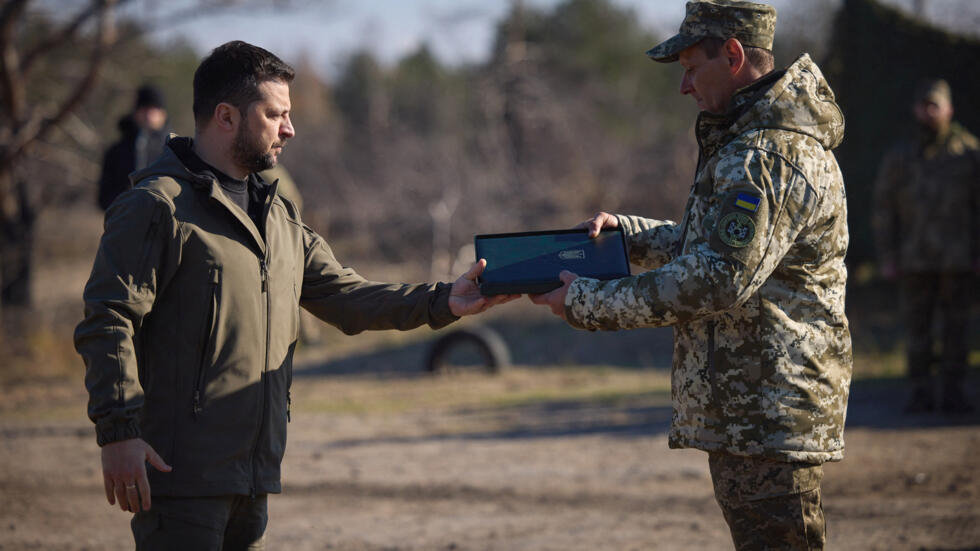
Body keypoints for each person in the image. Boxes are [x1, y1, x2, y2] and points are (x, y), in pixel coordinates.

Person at [74, 40, 515, 549]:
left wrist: (444, 300)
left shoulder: (278, 213)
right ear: (226, 116)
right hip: (181, 476)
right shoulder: (156, 207)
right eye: (275, 114)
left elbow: (348, 296)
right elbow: (108, 319)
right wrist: (119, 431)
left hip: (254, 475)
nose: (290, 128)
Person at [529, 1, 851, 548]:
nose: (683, 87)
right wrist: (626, 236)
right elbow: (714, 246)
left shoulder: (768, 155)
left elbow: (716, 278)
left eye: (689, 67)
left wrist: (587, 302)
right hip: (751, 413)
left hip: (767, 414)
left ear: (732, 55)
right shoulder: (751, 144)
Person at [872, 78, 978, 414]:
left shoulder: (969, 153)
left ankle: (954, 393)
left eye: (936, 105)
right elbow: (884, 209)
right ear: (915, 110)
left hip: (957, 259)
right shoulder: (900, 156)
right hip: (914, 259)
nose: (929, 112)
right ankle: (919, 392)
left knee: (956, 328)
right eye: (924, 105)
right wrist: (888, 256)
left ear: (949, 109)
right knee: (917, 329)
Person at [97, 83, 170, 211]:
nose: (149, 115)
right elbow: (104, 197)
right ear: (136, 112)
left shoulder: (173, 151)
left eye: (154, 109)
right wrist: (128, 204)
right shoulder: (117, 152)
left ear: (163, 114)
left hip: (165, 226)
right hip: (125, 224)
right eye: (144, 109)